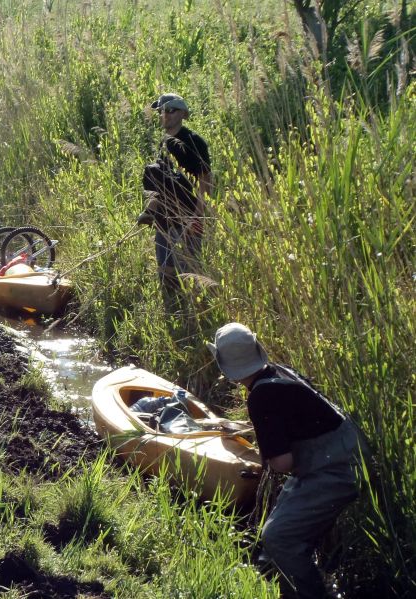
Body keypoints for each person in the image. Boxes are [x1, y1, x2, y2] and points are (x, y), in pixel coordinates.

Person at [206, 323, 366, 599]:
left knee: (277, 536)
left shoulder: (262, 396)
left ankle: (311, 594)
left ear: (226, 366)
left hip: (336, 468)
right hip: (340, 454)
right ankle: (283, 579)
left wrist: (258, 453)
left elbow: (282, 464)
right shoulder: (278, 372)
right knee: (278, 526)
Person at [139, 93, 212, 312]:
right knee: (165, 272)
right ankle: (171, 316)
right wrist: (150, 209)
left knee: (190, 274)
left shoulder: (193, 142)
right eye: (162, 111)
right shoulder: (164, 142)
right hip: (164, 220)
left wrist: (197, 218)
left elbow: (205, 180)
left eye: (171, 110)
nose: (165, 115)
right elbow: (160, 181)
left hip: (188, 218)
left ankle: (193, 320)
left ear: (183, 114)